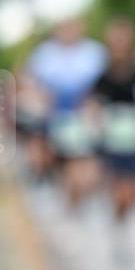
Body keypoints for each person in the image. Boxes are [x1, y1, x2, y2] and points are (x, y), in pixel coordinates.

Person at [27, 17, 107, 209]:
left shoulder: (95, 52)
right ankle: (51, 183)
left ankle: (78, 196)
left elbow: (103, 85)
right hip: (54, 114)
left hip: (84, 114)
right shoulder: (45, 53)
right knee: (50, 152)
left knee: (82, 159)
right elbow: (34, 83)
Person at [90, 17, 135, 268]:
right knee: (121, 191)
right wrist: (97, 124)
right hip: (112, 140)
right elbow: (93, 103)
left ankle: (120, 220)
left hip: (134, 138)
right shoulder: (102, 74)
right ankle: (118, 229)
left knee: (133, 194)